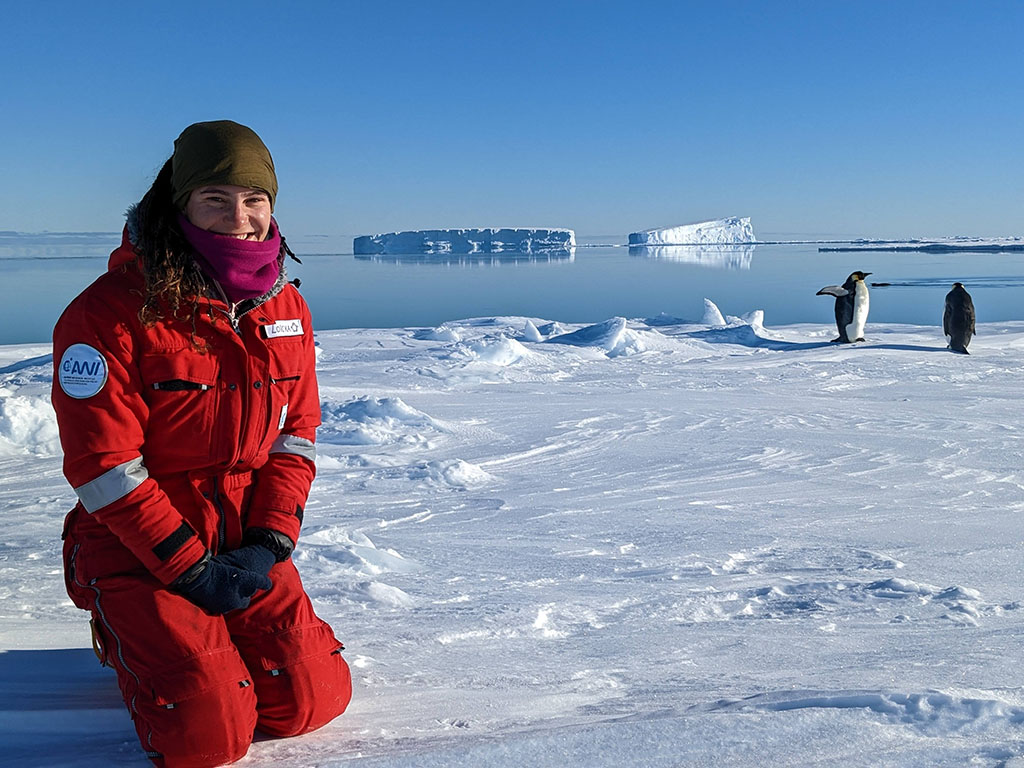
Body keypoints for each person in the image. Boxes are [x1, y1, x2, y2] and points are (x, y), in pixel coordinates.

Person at [52, 120, 351, 767]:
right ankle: (124, 627)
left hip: (242, 537)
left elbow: (296, 436)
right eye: (215, 198)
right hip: (136, 542)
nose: (238, 219)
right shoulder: (110, 312)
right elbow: (104, 467)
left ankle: (207, 638)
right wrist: (186, 566)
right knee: (207, 737)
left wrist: (270, 541)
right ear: (179, 203)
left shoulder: (286, 309)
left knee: (311, 701)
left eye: (254, 201)